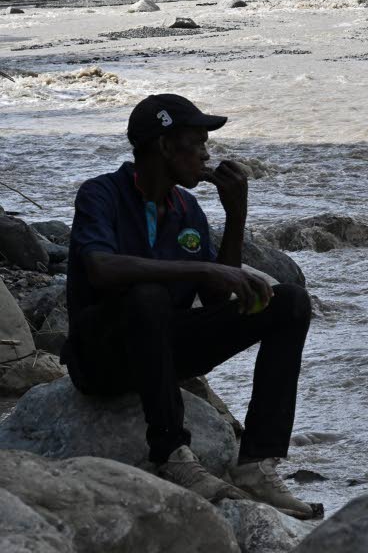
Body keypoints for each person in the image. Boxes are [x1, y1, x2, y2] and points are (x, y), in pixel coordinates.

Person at [61, 94, 316, 518]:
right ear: (164, 146)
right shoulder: (101, 194)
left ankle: (256, 463)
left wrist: (236, 218)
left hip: (163, 352)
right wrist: (199, 271)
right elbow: (101, 268)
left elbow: (216, 298)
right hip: (102, 358)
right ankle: (173, 455)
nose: (206, 153)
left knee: (290, 301)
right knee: (148, 295)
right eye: (196, 142)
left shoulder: (187, 208)